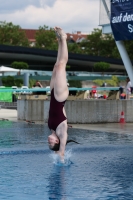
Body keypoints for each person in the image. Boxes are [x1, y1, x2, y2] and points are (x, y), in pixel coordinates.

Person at [47, 27, 78, 162]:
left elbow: (61, 112)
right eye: (52, 143)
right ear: (58, 141)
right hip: (60, 97)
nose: (49, 141)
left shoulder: (51, 127)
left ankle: (60, 40)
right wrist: (61, 153)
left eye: (49, 143)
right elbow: (62, 150)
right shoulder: (61, 131)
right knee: (61, 65)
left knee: (56, 66)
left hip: (54, 95)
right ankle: (64, 38)